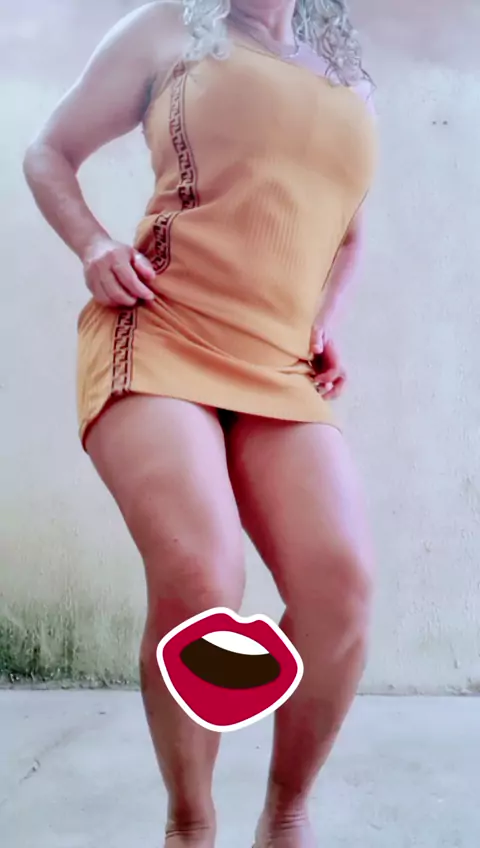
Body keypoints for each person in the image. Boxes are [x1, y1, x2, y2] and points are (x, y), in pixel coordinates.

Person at [23, 1, 377, 845]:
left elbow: (347, 233)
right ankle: (191, 821)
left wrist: (322, 322)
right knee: (204, 581)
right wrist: (93, 245)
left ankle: (286, 811)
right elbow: (49, 152)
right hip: (161, 328)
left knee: (340, 590)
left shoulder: (350, 76)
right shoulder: (167, 26)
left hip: (278, 363)